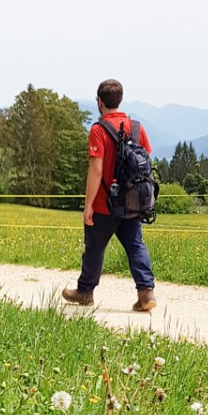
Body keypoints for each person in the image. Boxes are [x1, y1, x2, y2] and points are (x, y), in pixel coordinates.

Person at [62, 79, 157, 313]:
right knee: (135, 244)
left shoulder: (98, 130)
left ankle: (85, 292)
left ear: (99, 102)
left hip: (105, 203)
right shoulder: (137, 127)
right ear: (120, 100)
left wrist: (88, 205)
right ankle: (146, 293)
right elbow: (145, 161)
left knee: (94, 247)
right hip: (133, 202)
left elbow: (96, 170)